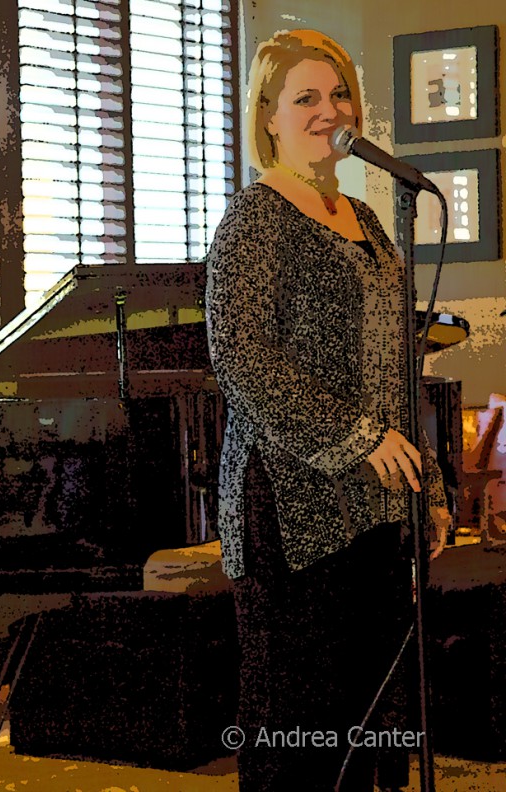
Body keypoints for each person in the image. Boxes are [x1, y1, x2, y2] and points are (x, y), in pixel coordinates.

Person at [205, 29, 452, 791]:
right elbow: (242, 359)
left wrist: (428, 484)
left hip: (375, 505)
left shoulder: (371, 221)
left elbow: (392, 366)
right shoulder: (255, 220)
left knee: (369, 723)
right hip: (290, 507)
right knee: (297, 725)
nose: (328, 110)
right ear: (269, 117)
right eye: (305, 97)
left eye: (338, 93)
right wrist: (355, 438)